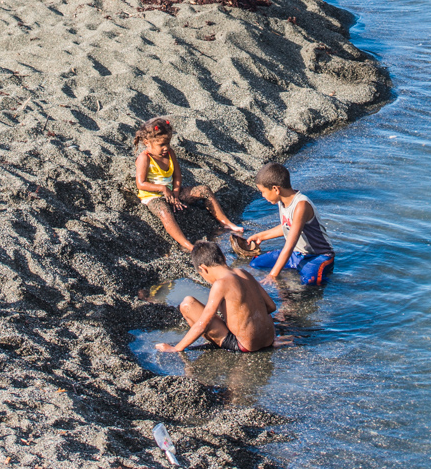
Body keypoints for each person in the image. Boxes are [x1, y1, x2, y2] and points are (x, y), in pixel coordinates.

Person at [135, 116, 243, 253]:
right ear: (147, 142)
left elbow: (177, 176)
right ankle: (186, 243)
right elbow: (141, 184)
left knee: (204, 190)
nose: (166, 147)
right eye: (161, 145)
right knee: (164, 211)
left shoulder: (170, 153)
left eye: (168, 143)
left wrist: (175, 193)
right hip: (153, 196)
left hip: (172, 192)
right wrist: (162, 188)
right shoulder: (144, 158)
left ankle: (225, 222)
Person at [155, 241, 283, 354]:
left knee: (187, 304)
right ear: (223, 258)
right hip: (269, 339)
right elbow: (271, 306)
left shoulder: (220, 284)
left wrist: (177, 348)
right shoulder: (243, 273)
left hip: (244, 346)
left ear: (203, 269)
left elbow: (203, 324)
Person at [243, 162, 335, 286]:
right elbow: (287, 227)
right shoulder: (281, 201)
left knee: (310, 283)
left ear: (276, 189)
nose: (263, 195)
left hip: (318, 257)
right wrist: (261, 236)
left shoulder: (301, 206)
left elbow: (290, 245)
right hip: (296, 255)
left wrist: (272, 275)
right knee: (255, 264)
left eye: (263, 191)